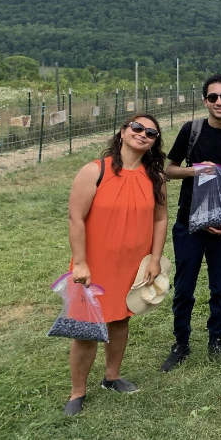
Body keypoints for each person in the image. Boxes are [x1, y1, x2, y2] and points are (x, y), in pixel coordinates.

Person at [63, 114, 168, 416]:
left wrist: (155, 259)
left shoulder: (156, 178)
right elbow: (76, 218)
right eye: (137, 127)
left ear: (153, 143)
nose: (142, 134)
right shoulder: (94, 171)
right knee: (86, 328)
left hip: (132, 265)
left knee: (120, 320)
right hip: (93, 266)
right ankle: (77, 391)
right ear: (123, 132)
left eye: (150, 132)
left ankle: (112, 376)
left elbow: (160, 219)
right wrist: (80, 263)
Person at [161, 74, 221, 371]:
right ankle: (181, 342)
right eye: (213, 97)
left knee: (220, 285)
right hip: (189, 221)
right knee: (184, 285)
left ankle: (216, 338)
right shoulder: (191, 131)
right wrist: (196, 171)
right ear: (205, 101)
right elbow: (168, 170)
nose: (219, 102)